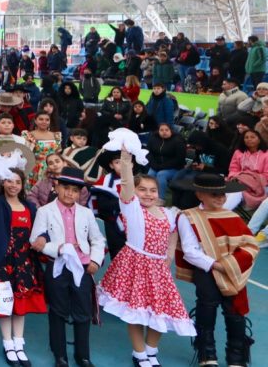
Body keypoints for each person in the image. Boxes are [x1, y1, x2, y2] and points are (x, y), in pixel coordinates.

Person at [97, 150, 194, 367]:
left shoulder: (169, 213)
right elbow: (127, 185)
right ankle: (139, 353)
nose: (148, 194)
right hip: (135, 264)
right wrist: (125, 162)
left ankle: (151, 350)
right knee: (136, 314)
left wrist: (168, 255)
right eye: (142, 190)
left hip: (158, 269)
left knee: (161, 312)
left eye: (153, 190)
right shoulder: (132, 208)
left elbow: (172, 234)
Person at [174, 173, 259, 367]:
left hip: (232, 271)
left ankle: (236, 357)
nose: (220, 198)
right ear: (199, 195)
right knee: (207, 307)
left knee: (235, 311)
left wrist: (231, 265)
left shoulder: (232, 217)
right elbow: (190, 251)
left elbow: (249, 244)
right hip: (207, 270)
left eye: (222, 195)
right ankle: (207, 354)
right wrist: (217, 265)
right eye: (214, 195)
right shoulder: (189, 217)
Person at [29, 166, 105, 367]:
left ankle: (83, 355)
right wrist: (61, 248)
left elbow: (97, 239)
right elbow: (35, 240)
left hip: (82, 268)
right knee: (58, 311)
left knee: (83, 312)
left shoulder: (86, 213)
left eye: (75, 190)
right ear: (57, 186)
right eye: (66, 188)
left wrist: (95, 260)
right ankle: (60, 355)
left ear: (80, 193)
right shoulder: (45, 211)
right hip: (58, 266)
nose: (69, 193)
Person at [0, 166, 46, 366]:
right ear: (3, 182)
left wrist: (43, 238)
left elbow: (42, 230)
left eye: (17, 182)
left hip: (24, 263)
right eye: (9, 181)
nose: (13, 185)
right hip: (2, 263)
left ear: (22, 184)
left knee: (21, 304)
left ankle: (19, 343)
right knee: (5, 302)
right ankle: (7, 343)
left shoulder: (30, 207)